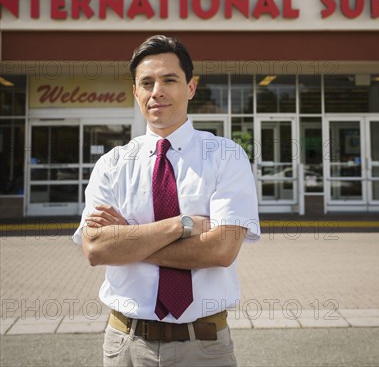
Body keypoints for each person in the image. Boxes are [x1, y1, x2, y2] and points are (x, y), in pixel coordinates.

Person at [73, 35, 260, 367]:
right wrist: (182, 226)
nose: (156, 90)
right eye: (146, 82)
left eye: (169, 80)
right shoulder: (112, 165)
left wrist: (129, 238)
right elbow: (96, 250)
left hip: (203, 347)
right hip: (126, 345)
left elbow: (221, 250)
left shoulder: (226, 156)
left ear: (190, 87)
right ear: (136, 92)